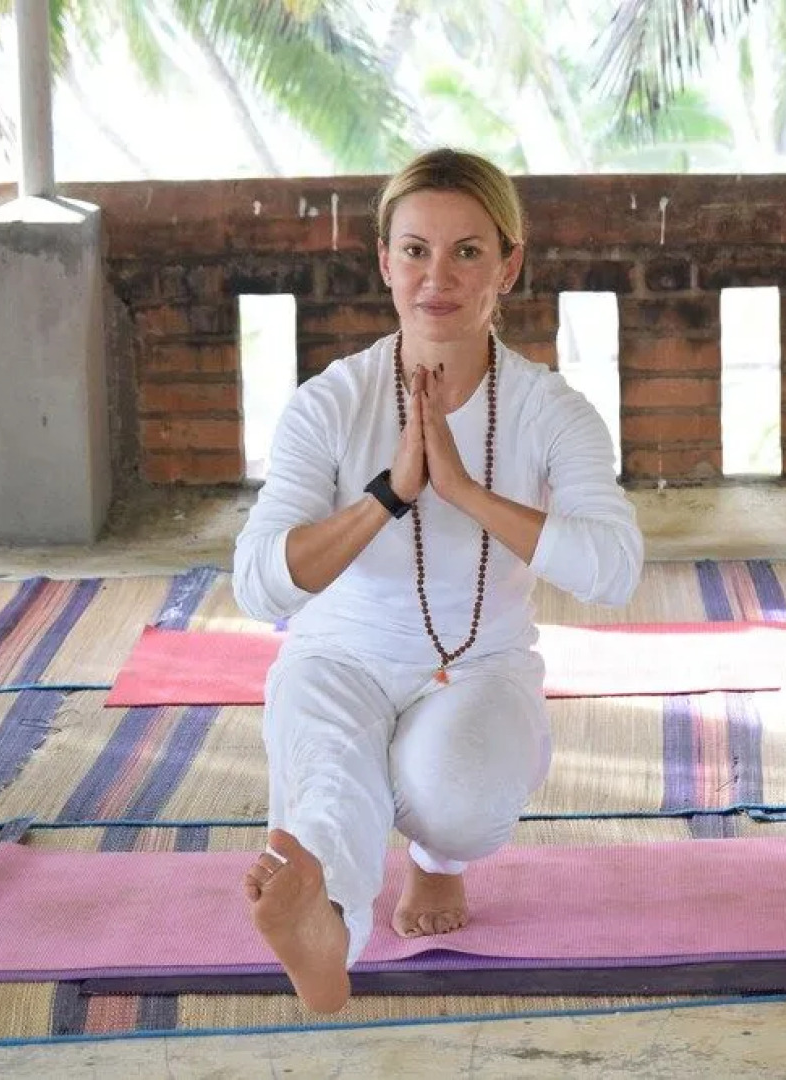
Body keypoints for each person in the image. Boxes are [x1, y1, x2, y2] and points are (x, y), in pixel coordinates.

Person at [232, 148, 643, 1012]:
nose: (437, 276)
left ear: (509, 264)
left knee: (452, 795)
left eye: (466, 251)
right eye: (415, 250)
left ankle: (435, 861)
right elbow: (260, 586)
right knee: (332, 769)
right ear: (384, 261)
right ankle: (329, 926)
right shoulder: (330, 401)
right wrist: (389, 494)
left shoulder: (549, 408)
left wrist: (462, 491)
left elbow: (615, 570)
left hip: (481, 664)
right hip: (337, 658)